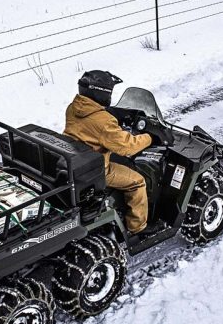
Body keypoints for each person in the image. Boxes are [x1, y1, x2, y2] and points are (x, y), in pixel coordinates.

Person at [63, 70, 161, 237]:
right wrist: (151, 137)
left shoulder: (74, 108)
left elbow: (92, 125)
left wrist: (112, 114)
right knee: (137, 182)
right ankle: (138, 227)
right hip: (98, 169)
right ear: (101, 93)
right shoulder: (104, 122)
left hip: (74, 159)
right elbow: (127, 146)